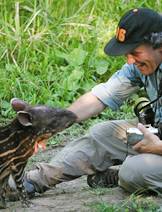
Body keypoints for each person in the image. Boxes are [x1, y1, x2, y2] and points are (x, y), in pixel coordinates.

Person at [15, 8, 162, 197]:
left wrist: (156, 148)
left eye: (134, 52)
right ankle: (29, 182)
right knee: (103, 133)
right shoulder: (142, 64)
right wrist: (55, 122)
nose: (130, 60)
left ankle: (121, 178)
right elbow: (100, 96)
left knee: (135, 171)